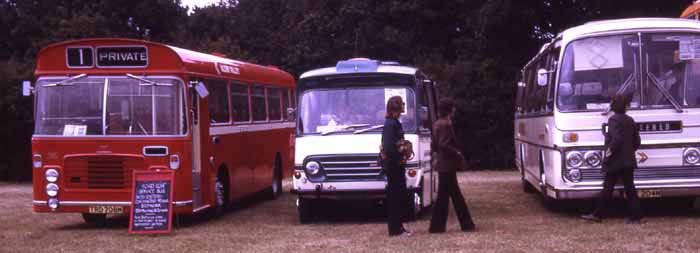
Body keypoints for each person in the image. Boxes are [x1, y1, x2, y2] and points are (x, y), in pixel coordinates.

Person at [581, 95, 643, 224]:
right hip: (628, 160)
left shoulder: (613, 120)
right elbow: (637, 141)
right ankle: (635, 216)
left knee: (608, 188)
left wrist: (609, 152)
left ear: (614, 106)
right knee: (630, 188)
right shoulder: (630, 120)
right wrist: (629, 151)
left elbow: (616, 139)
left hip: (615, 160)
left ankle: (598, 214)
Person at [429, 98, 476, 233]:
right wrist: (457, 152)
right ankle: (465, 224)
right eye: (453, 108)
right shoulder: (446, 125)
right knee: (453, 196)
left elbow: (435, 144)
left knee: (447, 196)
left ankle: (438, 226)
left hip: (442, 164)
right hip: (447, 164)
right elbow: (444, 144)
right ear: (449, 110)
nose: (454, 110)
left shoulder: (437, 124)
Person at [381, 96, 412, 237]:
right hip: (393, 166)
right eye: (402, 104)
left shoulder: (394, 122)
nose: (404, 106)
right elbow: (388, 147)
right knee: (395, 197)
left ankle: (399, 227)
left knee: (399, 196)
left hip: (396, 165)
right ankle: (395, 230)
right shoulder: (390, 124)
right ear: (397, 107)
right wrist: (400, 158)